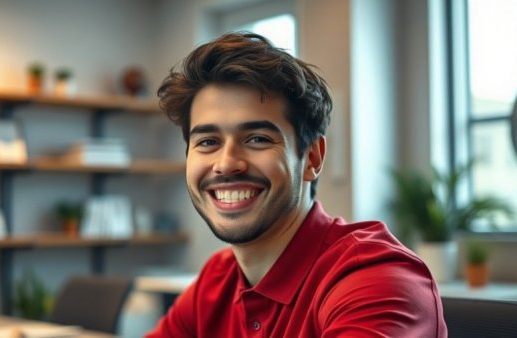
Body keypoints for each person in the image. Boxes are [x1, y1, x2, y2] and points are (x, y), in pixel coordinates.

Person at [145, 32, 447, 337]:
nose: (225, 163)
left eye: (257, 139)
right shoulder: (218, 278)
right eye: (208, 141)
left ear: (312, 157)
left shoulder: (377, 280)